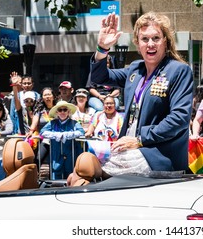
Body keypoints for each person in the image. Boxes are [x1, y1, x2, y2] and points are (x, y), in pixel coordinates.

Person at [67, 12, 193, 185]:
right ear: (137, 42)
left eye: (156, 38)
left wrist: (140, 139)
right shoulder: (135, 69)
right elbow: (99, 78)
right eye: (145, 39)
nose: (150, 44)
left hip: (156, 156)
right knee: (75, 176)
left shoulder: (178, 70)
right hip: (126, 150)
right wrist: (102, 48)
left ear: (165, 41)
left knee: (82, 173)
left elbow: (179, 119)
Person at [40, 100, 85, 179]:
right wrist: (56, 135)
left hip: (71, 155)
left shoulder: (74, 123)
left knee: (71, 176)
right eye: (60, 110)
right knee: (56, 176)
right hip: (56, 155)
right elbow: (42, 132)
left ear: (68, 112)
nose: (62, 112)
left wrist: (66, 135)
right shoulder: (52, 123)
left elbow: (81, 132)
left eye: (65, 110)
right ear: (57, 112)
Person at [27, 87, 57, 168]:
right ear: (42, 97)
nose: (47, 97)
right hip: (45, 139)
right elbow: (35, 121)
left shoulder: (59, 108)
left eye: (49, 94)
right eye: (45, 95)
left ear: (53, 96)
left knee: (54, 162)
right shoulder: (40, 109)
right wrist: (31, 131)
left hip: (57, 139)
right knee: (38, 159)